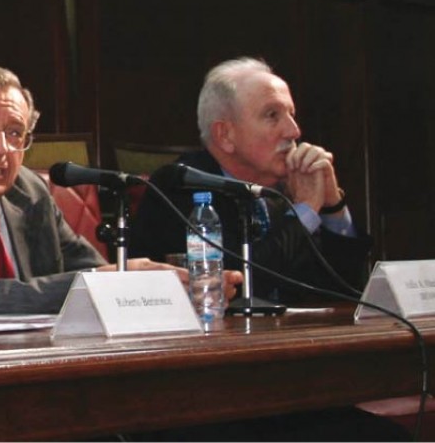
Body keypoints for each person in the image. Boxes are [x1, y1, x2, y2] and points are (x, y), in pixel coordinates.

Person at [0, 63, 241, 314]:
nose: (1, 150)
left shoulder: (28, 190)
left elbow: (90, 272)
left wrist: (166, 285)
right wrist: (109, 280)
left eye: (15, 133)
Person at [130, 56, 372, 303]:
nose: (294, 131)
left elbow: (346, 291)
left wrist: (332, 207)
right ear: (225, 135)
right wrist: (306, 209)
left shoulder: (285, 191)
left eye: (292, 114)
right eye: (272, 115)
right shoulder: (179, 187)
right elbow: (238, 285)